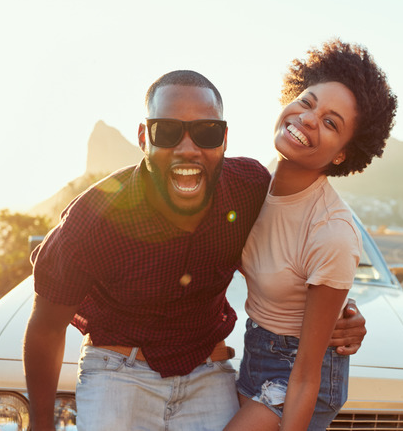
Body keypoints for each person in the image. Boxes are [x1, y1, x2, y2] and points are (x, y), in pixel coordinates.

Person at [22, 70, 367, 431]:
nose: (188, 149)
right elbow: (46, 327)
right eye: (167, 131)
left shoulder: (249, 190)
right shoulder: (93, 219)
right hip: (117, 368)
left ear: (224, 139)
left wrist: (344, 313)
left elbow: (300, 253)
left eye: (206, 132)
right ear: (143, 137)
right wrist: (40, 424)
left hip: (208, 368)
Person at [225, 40, 397, 431]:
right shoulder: (250, 189)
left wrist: (342, 311)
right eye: (307, 101)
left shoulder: (332, 231)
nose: (308, 118)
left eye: (331, 123)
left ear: (342, 153)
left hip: (302, 374)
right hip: (256, 351)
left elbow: (306, 373)